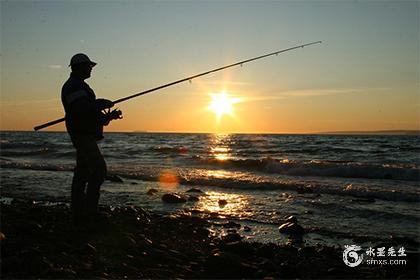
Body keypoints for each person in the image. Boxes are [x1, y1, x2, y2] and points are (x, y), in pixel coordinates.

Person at [61, 53, 122, 222]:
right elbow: (82, 109)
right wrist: (101, 103)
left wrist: (109, 116)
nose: (91, 69)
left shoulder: (78, 85)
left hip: (84, 132)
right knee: (98, 169)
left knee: (83, 171)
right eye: (89, 66)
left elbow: (88, 114)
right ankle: (89, 211)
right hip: (82, 134)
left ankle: (79, 210)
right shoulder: (73, 86)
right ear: (79, 67)